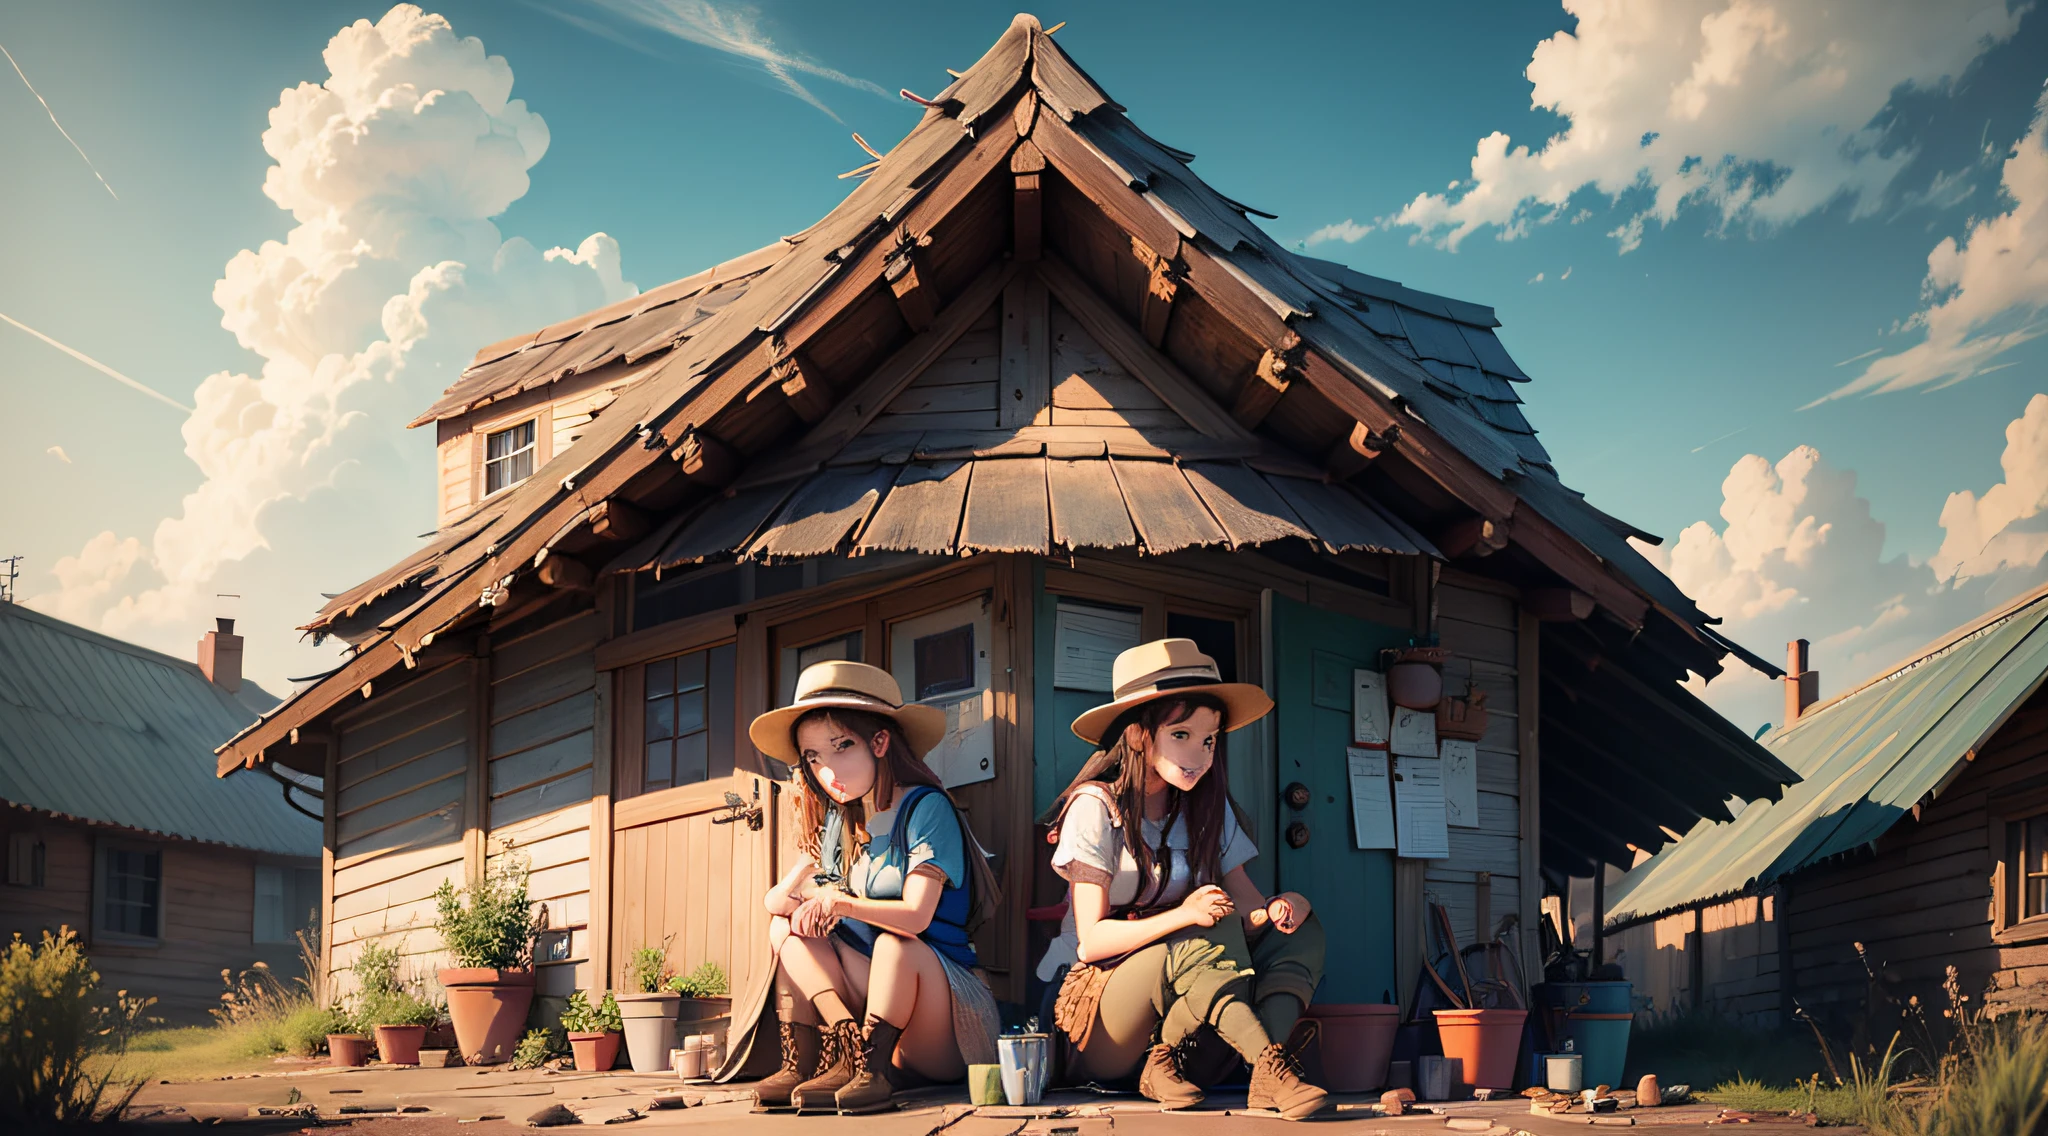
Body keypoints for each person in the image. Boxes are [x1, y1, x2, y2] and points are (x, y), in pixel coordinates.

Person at [1038, 638, 1329, 1119]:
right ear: (1137, 735)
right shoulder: (1097, 807)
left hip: (1185, 1033)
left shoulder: (1208, 811)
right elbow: (1090, 943)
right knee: (1203, 926)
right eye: (1181, 735)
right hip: (1104, 1014)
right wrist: (1184, 916)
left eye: (1209, 739)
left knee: (1299, 932)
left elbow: (1246, 914)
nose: (1199, 752)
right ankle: (1267, 1064)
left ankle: (1267, 1073)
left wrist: (1283, 907)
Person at [745, 661, 1000, 1116]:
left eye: (842, 746)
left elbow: (918, 917)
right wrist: (806, 873)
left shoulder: (927, 808)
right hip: (875, 1017)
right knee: (785, 930)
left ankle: (871, 1070)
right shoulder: (839, 822)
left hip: (947, 1019)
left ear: (880, 742)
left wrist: (841, 902)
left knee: (895, 945)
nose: (828, 770)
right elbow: (779, 902)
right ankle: (827, 1053)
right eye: (814, 758)